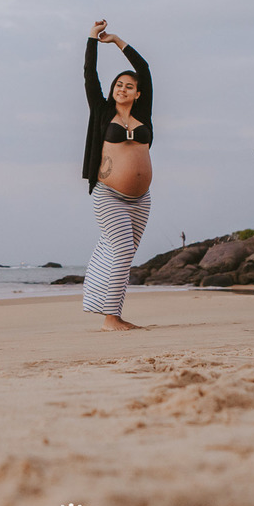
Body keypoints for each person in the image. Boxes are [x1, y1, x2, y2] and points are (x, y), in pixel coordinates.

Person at [81, 19, 153, 330]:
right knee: (121, 249)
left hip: (141, 199)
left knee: (125, 256)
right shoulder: (102, 111)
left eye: (129, 86)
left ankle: (114, 314)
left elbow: (145, 68)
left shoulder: (142, 114)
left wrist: (118, 40)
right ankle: (111, 319)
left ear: (138, 93)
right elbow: (89, 76)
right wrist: (93, 40)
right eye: (118, 85)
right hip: (109, 193)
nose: (122, 89)